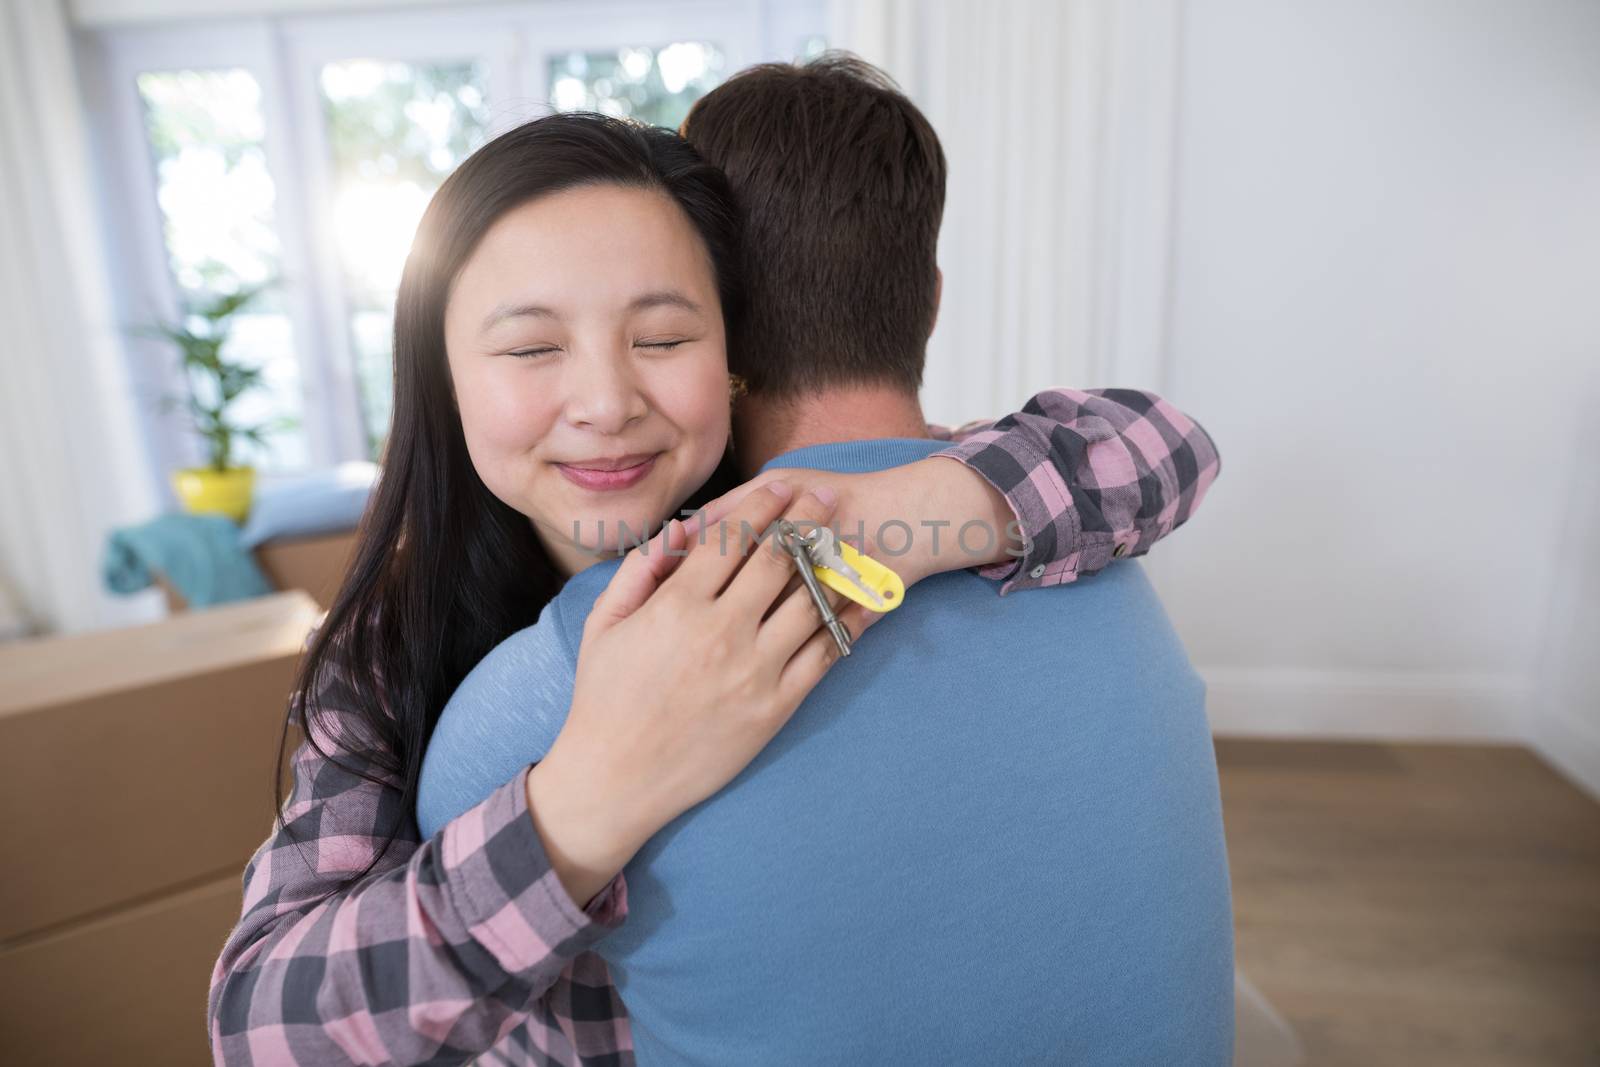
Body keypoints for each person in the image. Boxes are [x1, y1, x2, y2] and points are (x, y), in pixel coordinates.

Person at [209, 103, 1219, 1067]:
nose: (607, 402)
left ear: (736, 353)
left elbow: (1152, 444)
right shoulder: (391, 650)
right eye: (529, 347)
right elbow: (263, 1032)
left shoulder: (803, 507)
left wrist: (890, 521)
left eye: (661, 338)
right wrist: (592, 793)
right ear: (443, 372)